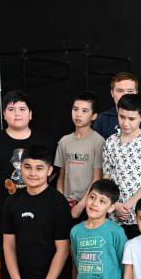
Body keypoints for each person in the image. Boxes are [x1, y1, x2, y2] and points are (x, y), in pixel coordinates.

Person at [0, 89, 55, 279]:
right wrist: (13, 193)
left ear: (31, 114)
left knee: (41, 253)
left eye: (22, 109)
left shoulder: (43, 140)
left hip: (41, 209)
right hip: (6, 210)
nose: (17, 114)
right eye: (11, 109)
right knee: (8, 258)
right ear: (4, 114)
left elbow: (52, 171)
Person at [2, 145, 75, 279]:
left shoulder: (58, 203)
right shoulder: (12, 203)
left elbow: (63, 249)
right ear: (21, 168)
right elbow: (8, 246)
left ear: (49, 171)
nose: (33, 173)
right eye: (28, 167)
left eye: (39, 168)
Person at [101, 93, 141, 237]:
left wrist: (128, 205)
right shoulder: (110, 142)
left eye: (131, 119)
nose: (126, 123)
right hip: (115, 214)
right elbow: (106, 180)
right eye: (122, 117)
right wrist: (114, 205)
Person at [55, 91, 104, 222]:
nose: (78, 114)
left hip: (89, 205)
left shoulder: (99, 142)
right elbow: (61, 176)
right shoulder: (64, 141)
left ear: (94, 116)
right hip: (66, 204)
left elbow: (97, 179)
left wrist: (81, 205)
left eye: (84, 111)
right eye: (75, 109)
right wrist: (61, 201)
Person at [93, 71, 141, 141]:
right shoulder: (102, 119)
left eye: (130, 91)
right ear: (112, 93)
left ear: (136, 93)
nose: (125, 95)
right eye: (120, 91)